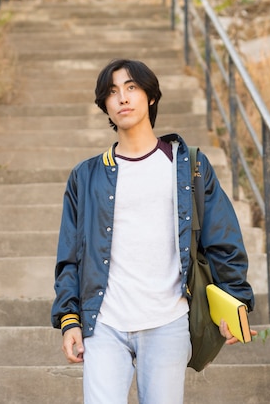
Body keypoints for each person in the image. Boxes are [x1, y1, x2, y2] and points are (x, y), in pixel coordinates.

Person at [51, 58, 254, 404]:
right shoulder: (85, 177)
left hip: (168, 321)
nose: (123, 98)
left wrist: (236, 302)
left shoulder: (187, 166)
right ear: (106, 106)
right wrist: (70, 319)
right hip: (104, 324)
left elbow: (222, 238)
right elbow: (70, 255)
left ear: (151, 97)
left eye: (132, 88)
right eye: (112, 92)